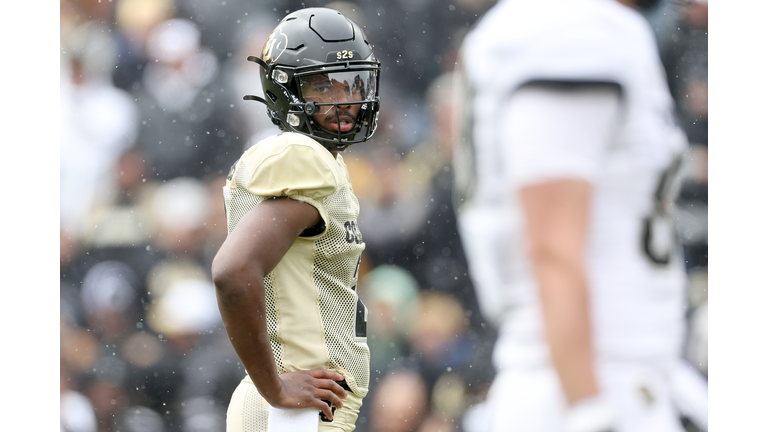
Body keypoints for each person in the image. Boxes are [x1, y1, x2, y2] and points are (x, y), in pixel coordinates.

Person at [451, 0, 703, 431]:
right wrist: (588, 409)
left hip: (608, 375)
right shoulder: (570, 29)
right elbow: (552, 249)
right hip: (589, 382)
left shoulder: (573, 25)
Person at [211, 7, 381, 432]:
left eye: (353, 82)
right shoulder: (303, 157)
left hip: (299, 411)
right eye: (323, 87)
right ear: (284, 90)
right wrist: (276, 389)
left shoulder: (316, 158)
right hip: (296, 415)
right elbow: (232, 271)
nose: (344, 99)